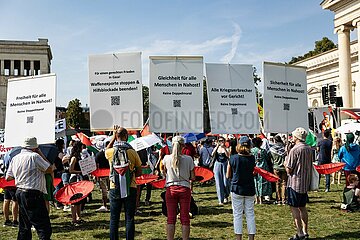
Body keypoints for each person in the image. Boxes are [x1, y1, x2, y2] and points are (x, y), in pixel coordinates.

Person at [6, 137, 53, 240]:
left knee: (24, 226)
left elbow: (8, 177)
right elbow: (49, 169)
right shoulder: (35, 156)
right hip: (33, 193)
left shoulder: (15, 158)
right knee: (43, 226)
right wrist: (40, 154)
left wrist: (22, 173)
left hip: (20, 191)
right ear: (35, 147)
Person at [105, 126, 142, 240]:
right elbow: (139, 172)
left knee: (114, 218)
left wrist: (113, 136)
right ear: (126, 136)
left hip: (114, 186)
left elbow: (107, 148)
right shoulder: (132, 152)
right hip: (130, 186)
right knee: (129, 217)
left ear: (116, 137)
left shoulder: (111, 151)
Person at [162, 136, 195, 240]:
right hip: (184, 188)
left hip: (171, 188)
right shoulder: (188, 159)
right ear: (183, 146)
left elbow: (163, 171)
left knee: (170, 218)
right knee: (185, 218)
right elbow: (193, 177)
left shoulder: (166, 158)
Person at [226, 136, 256, 240]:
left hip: (237, 188)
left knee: (237, 215)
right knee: (250, 214)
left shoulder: (233, 158)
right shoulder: (252, 158)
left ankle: (238, 237)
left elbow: (227, 175)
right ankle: (251, 237)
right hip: (249, 188)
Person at [286, 128, 313, 240]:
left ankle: (299, 232)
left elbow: (289, 169)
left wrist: (286, 161)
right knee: (303, 207)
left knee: (294, 208)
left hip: (295, 182)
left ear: (296, 137)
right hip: (305, 182)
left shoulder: (295, 150)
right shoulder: (309, 148)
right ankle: (305, 231)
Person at [68, 141, 87, 226]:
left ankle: (79, 217)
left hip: (79, 178)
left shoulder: (78, 156)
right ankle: (74, 219)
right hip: (74, 179)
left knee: (80, 200)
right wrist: (81, 171)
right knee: (74, 200)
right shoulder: (74, 157)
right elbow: (71, 170)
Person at [2, 147, 20, 227]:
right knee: (15, 201)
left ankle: (6, 220)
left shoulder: (6, 154)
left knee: (6, 200)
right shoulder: (17, 155)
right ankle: (15, 220)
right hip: (13, 179)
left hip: (6, 179)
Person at [251, 137, 272, 204]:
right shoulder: (263, 151)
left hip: (255, 168)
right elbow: (267, 158)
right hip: (263, 169)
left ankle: (256, 199)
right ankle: (261, 199)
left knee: (255, 183)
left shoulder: (252, 151)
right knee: (262, 184)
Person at [212, 137, 230, 205]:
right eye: (219, 141)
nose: (221, 142)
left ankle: (226, 196)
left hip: (225, 164)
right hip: (217, 164)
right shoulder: (216, 148)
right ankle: (220, 200)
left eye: (222, 140)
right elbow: (212, 154)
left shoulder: (226, 148)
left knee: (225, 182)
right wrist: (217, 146)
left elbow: (228, 156)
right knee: (219, 182)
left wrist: (224, 148)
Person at [270, 135, 287, 205]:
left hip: (276, 167)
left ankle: (278, 199)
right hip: (284, 167)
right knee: (284, 183)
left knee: (277, 183)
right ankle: (284, 199)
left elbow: (271, 159)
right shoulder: (284, 148)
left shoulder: (272, 149)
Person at [94, 140, 110, 212]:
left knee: (104, 191)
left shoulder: (99, 154)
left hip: (102, 175)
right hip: (110, 174)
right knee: (110, 190)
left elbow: (96, 166)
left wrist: (96, 176)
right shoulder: (111, 153)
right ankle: (111, 204)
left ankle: (105, 205)